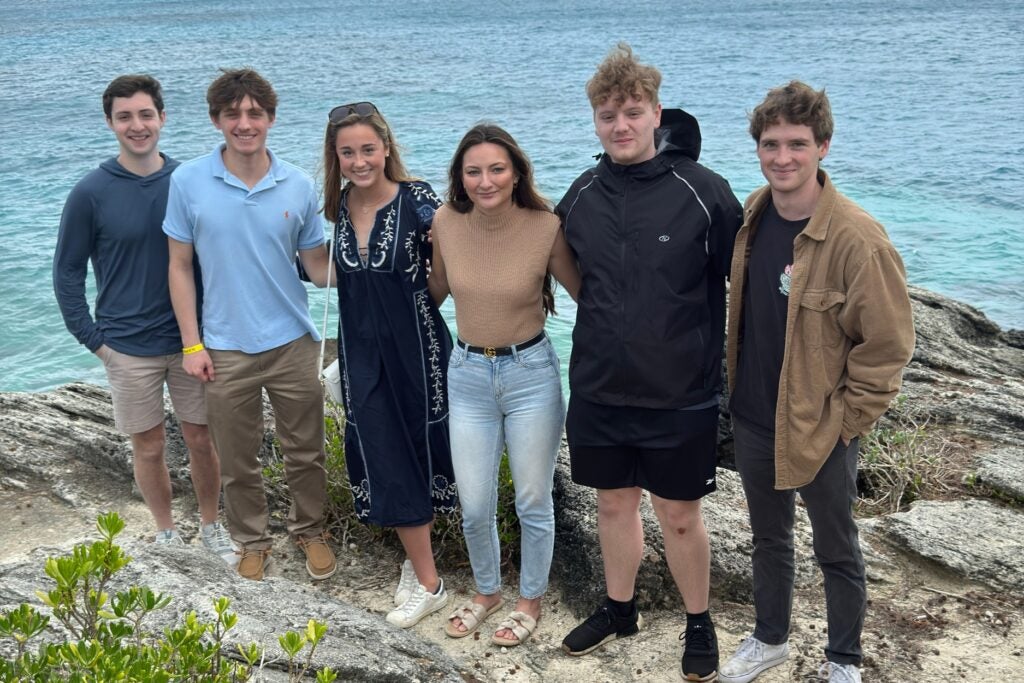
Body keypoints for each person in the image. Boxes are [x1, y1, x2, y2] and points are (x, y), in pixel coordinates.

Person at [557, 44, 742, 682]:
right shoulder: (580, 194)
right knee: (613, 504)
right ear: (595, 120)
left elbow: (736, 284)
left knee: (679, 514)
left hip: (681, 391)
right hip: (601, 386)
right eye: (608, 115)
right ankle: (619, 609)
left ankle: (699, 620)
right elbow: (565, 271)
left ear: (656, 113)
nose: (620, 126)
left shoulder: (705, 191)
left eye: (632, 112)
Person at [719, 81, 915, 683]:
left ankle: (844, 660)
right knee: (768, 540)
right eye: (771, 144)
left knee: (837, 548)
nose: (783, 157)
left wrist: (846, 422)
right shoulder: (753, 214)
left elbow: (887, 347)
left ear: (823, 147)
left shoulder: (858, 238)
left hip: (822, 423)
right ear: (758, 148)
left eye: (797, 144)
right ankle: (769, 639)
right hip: (753, 414)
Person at [53, 74, 234, 564]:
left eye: (145, 114)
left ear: (162, 117)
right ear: (111, 123)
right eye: (125, 117)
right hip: (126, 346)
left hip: (191, 342)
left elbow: (218, 253)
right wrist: (94, 341)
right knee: (149, 447)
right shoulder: (90, 192)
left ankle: (213, 526)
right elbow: (67, 272)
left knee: (201, 438)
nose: (137, 126)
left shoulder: (189, 181)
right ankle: (166, 533)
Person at [164, 68, 335, 582]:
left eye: (255, 113)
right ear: (217, 120)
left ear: (271, 118)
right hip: (224, 346)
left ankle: (311, 530)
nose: (245, 123)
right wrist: (191, 345)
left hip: (293, 341)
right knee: (238, 459)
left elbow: (320, 268)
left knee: (305, 450)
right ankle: (252, 540)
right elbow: (177, 267)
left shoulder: (299, 185)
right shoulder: (188, 181)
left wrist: (373, 252)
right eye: (233, 114)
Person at [428, 123, 580, 647]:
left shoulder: (545, 226)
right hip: (467, 373)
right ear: (460, 177)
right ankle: (487, 593)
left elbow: (589, 295)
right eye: (473, 171)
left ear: (516, 173)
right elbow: (435, 291)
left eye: (496, 169)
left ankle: (529, 601)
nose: (485, 181)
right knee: (473, 505)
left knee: (533, 500)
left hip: (531, 373)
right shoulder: (445, 222)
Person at [320, 101, 458, 628]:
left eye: (368, 149)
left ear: (386, 149)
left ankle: (419, 565)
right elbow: (326, 272)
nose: (360, 161)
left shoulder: (420, 200)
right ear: (336, 156)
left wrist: (420, 309)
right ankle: (431, 583)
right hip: (360, 354)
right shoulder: (335, 207)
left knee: (427, 452)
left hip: (419, 350)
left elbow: (447, 267)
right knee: (384, 455)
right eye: (348, 151)